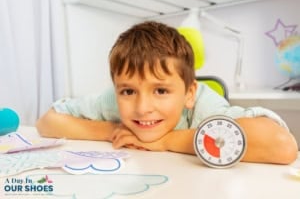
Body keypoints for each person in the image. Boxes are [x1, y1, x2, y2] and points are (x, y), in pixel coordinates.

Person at [36, 21, 298, 164]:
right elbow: (47, 122)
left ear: (189, 93)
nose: (142, 107)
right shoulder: (112, 102)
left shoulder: (204, 106)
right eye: (128, 91)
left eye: (160, 90)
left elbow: (283, 147)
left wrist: (165, 141)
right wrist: (112, 130)